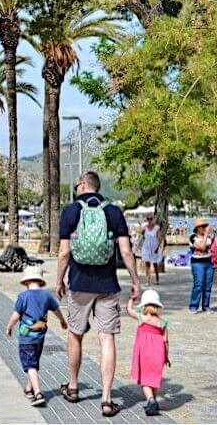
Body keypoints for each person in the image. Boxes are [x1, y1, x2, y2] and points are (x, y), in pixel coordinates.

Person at [56, 171, 140, 417]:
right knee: (107, 338)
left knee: (75, 334)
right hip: (108, 286)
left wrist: (59, 281)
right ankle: (106, 398)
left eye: (76, 184)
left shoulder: (70, 211)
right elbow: (126, 253)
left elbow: (63, 253)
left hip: (79, 284)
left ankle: (72, 386)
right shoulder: (114, 212)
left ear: (83, 185)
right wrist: (136, 281)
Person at [5, 265, 67, 408]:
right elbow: (56, 310)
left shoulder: (23, 296)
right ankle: (29, 388)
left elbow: (16, 315)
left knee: (30, 364)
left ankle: (38, 392)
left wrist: (9, 327)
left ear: (26, 282)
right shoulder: (46, 296)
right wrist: (62, 321)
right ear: (40, 281)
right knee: (33, 363)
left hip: (26, 338)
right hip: (40, 338)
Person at [126, 289, 170, 416]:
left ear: (144, 306)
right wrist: (166, 357)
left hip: (144, 352)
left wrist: (131, 299)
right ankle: (154, 401)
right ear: (157, 306)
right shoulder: (163, 322)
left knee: (145, 380)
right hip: (159, 353)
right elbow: (166, 341)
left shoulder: (142, 318)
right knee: (154, 379)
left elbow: (129, 310)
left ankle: (150, 400)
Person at [188, 217, 215, 313]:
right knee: (198, 285)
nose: (204, 228)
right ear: (197, 228)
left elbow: (215, 246)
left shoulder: (208, 238)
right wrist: (206, 234)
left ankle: (206, 306)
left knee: (208, 286)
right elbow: (202, 247)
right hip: (197, 263)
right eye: (202, 226)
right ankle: (193, 306)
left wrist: (215, 233)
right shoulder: (193, 238)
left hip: (209, 263)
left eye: (205, 226)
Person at [140, 214, 164, 287]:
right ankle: (147, 281)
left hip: (154, 247)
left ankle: (157, 278)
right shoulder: (145, 228)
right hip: (146, 247)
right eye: (148, 219)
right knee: (147, 265)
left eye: (151, 218)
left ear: (153, 219)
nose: (149, 220)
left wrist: (158, 247)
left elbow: (159, 238)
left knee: (155, 264)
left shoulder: (157, 228)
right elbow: (142, 237)